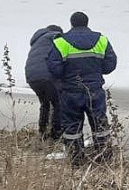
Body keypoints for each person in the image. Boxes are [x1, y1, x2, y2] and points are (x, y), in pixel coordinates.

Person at [47, 11, 117, 166]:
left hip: (70, 92)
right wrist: (95, 70)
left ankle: (76, 160)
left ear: (71, 24)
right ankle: (104, 157)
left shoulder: (60, 42)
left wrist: (67, 76)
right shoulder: (101, 40)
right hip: (94, 90)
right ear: (87, 23)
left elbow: (54, 68)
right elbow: (110, 64)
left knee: (72, 127)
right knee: (100, 124)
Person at [24, 24, 64, 141]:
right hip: (47, 75)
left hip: (32, 77)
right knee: (58, 103)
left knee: (45, 103)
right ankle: (56, 135)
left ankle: (42, 132)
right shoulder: (55, 36)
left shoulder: (38, 40)